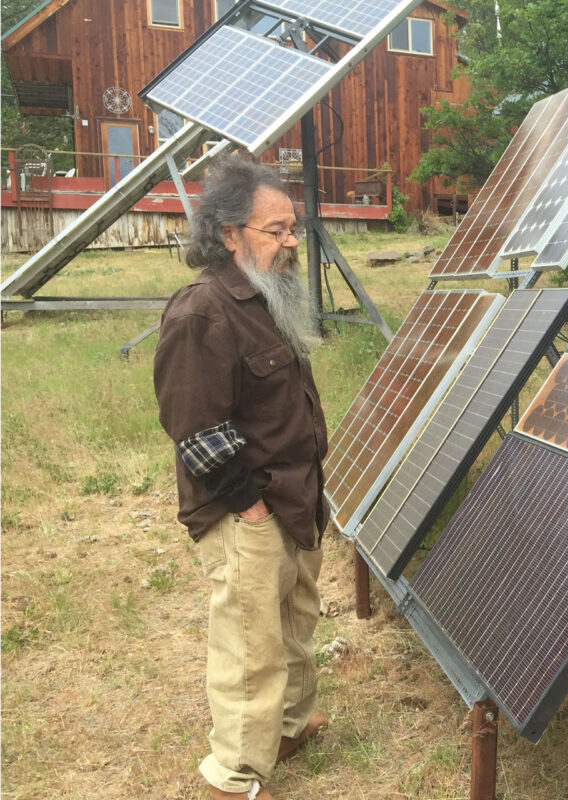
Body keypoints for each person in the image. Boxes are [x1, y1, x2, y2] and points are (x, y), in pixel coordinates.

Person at [154, 154, 331, 800]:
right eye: (275, 231)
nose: (291, 243)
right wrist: (249, 507)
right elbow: (195, 429)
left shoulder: (267, 296)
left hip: (295, 498)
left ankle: (286, 728)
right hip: (247, 509)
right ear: (229, 234)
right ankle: (233, 777)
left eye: (292, 229)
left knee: (294, 622)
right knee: (251, 647)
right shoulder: (202, 312)